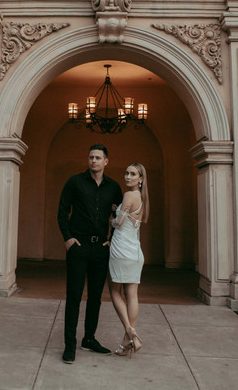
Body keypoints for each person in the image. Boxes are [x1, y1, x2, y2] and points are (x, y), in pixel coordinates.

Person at [57, 143, 123, 364]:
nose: (93, 161)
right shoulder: (75, 182)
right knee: (74, 296)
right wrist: (68, 238)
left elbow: (120, 216)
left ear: (106, 161)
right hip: (78, 246)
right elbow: (62, 211)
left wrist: (111, 238)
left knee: (95, 297)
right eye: (91, 157)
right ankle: (70, 345)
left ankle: (89, 339)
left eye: (98, 158)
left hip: (99, 249)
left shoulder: (113, 187)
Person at [108, 162, 149, 357]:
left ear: (140, 179)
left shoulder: (128, 195)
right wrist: (118, 209)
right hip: (135, 252)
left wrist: (111, 218)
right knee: (132, 295)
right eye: (126, 173)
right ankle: (127, 343)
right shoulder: (141, 198)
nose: (128, 177)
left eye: (133, 174)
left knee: (115, 291)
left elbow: (119, 223)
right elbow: (131, 219)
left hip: (121, 250)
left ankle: (131, 332)